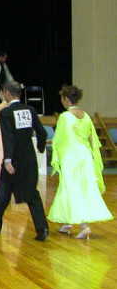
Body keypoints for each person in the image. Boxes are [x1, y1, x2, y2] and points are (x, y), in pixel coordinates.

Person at [0, 81, 49, 241]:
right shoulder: (30, 110)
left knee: (4, 194)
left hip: (12, 161)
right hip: (29, 159)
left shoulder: (6, 112)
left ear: (7, 93)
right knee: (32, 195)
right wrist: (41, 147)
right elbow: (42, 133)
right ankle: (42, 229)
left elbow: (8, 138)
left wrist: (7, 159)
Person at [47, 85, 113, 238]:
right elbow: (92, 139)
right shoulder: (86, 116)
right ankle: (68, 222)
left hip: (71, 157)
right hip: (85, 156)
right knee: (83, 187)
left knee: (71, 188)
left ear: (66, 99)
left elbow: (59, 140)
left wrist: (55, 151)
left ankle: (84, 226)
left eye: (62, 98)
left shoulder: (65, 117)